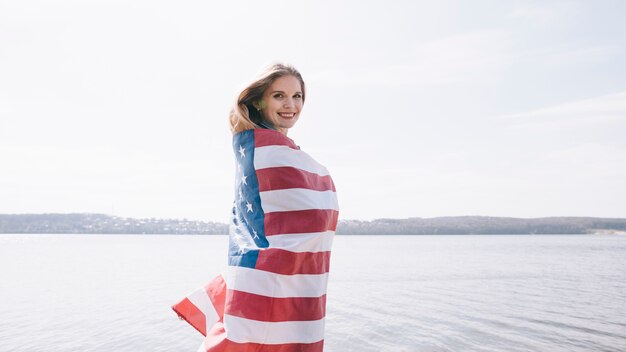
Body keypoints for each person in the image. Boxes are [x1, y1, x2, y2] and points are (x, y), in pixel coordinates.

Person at [173, 63, 339, 352]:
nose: (291, 105)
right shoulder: (262, 152)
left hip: (294, 278)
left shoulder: (288, 154)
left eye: (297, 96)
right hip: (267, 280)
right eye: (279, 96)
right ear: (259, 100)